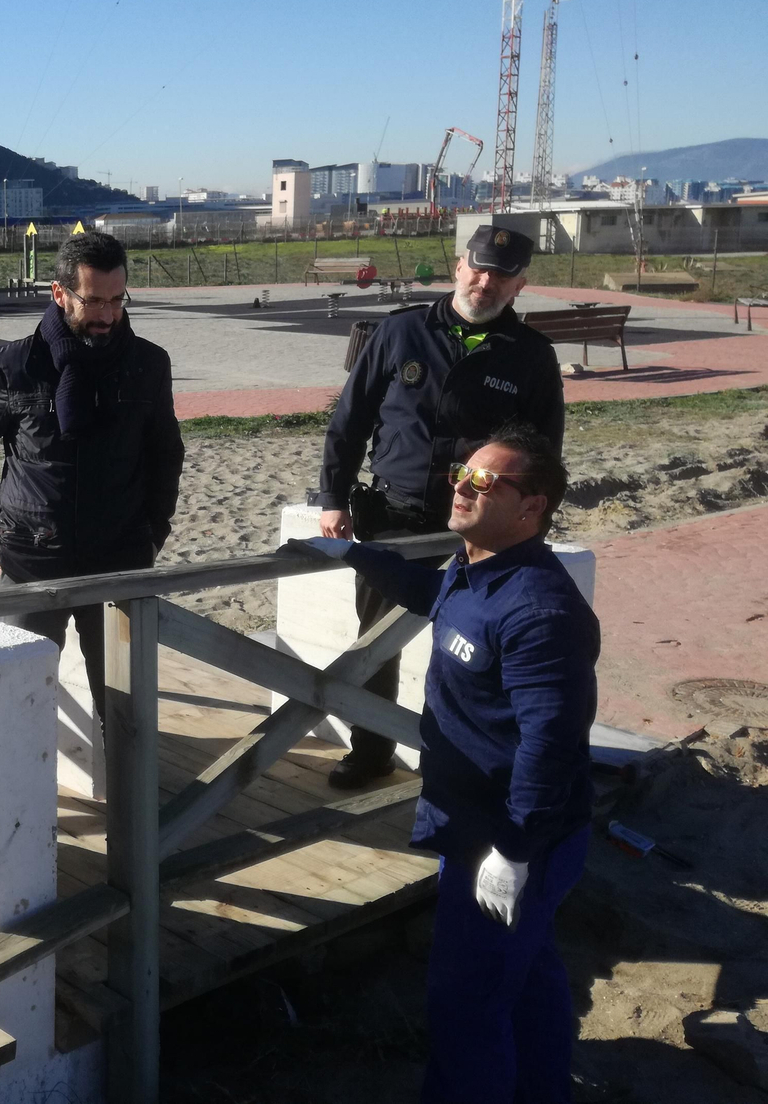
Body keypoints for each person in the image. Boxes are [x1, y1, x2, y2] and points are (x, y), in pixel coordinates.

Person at [297, 421, 597, 1104]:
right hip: (475, 823)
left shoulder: (538, 610)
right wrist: (352, 554)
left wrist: (514, 850)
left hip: (514, 837)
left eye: (486, 481)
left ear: (532, 507)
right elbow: (427, 593)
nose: (462, 484)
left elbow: (551, 742)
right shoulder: (475, 569)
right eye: (462, 471)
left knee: (466, 1003)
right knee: (528, 974)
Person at [315, 223, 564, 788]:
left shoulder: (532, 356)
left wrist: (532, 527)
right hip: (396, 516)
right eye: (478, 268)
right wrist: (332, 497)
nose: (486, 282)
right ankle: (371, 751)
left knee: (476, 647)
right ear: (458, 266)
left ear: (519, 284)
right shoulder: (401, 332)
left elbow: (544, 453)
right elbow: (348, 421)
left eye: (501, 275)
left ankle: (467, 762)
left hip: (486, 528)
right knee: (375, 644)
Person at [0, 230, 184, 721]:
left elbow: (166, 455)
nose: (107, 314)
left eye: (118, 300)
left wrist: (152, 534)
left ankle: (133, 800)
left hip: (120, 559)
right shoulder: (15, 364)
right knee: (14, 704)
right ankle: (21, 801)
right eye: (93, 300)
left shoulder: (148, 364)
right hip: (30, 562)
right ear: (59, 293)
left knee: (126, 708)